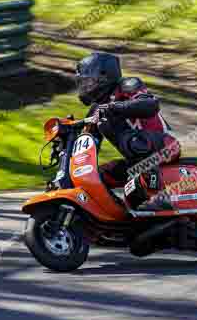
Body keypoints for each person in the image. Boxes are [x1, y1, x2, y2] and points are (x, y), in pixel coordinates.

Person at [75, 52, 181, 211]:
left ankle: (160, 196)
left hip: (165, 146)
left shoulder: (128, 85)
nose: (85, 87)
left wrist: (115, 107)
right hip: (136, 162)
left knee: (128, 137)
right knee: (97, 175)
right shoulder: (96, 110)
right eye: (83, 83)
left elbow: (150, 105)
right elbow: (86, 142)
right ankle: (111, 211)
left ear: (104, 77)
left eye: (89, 82)